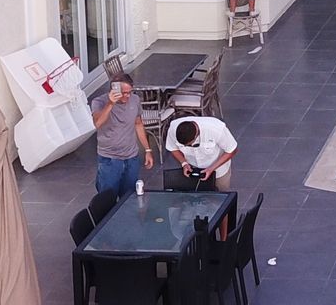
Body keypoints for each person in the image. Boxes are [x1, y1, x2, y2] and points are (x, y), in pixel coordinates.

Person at [89, 73, 153, 206]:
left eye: (129, 92)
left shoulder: (134, 100)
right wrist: (111, 103)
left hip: (131, 157)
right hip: (109, 159)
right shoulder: (99, 102)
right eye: (123, 93)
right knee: (107, 200)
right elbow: (97, 123)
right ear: (113, 90)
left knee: (129, 199)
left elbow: (138, 123)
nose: (127, 96)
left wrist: (147, 149)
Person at [165, 116, 239, 190]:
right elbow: (173, 148)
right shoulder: (173, 129)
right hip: (192, 169)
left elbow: (232, 150)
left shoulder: (216, 129)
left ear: (196, 136)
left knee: (221, 195)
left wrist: (211, 169)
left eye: (190, 145)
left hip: (218, 170)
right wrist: (184, 163)